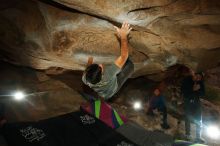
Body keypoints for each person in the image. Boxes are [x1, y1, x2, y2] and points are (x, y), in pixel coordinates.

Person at [82, 21, 134, 100]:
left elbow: (88, 68)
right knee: (129, 66)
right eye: (100, 67)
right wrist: (123, 35)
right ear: (102, 73)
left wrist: (90, 57)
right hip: (113, 90)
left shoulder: (85, 78)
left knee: (121, 66)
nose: (100, 64)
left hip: (102, 93)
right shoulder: (108, 74)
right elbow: (124, 56)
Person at [181, 69, 205, 143]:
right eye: (197, 76)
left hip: (197, 103)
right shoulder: (187, 80)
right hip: (188, 102)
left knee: (199, 120)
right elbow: (183, 91)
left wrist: (199, 90)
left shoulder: (200, 83)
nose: (198, 78)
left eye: (200, 77)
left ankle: (198, 137)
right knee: (187, 118)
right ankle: (187, 135)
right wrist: (192, 89)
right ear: (194, 75)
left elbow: (203, 94)